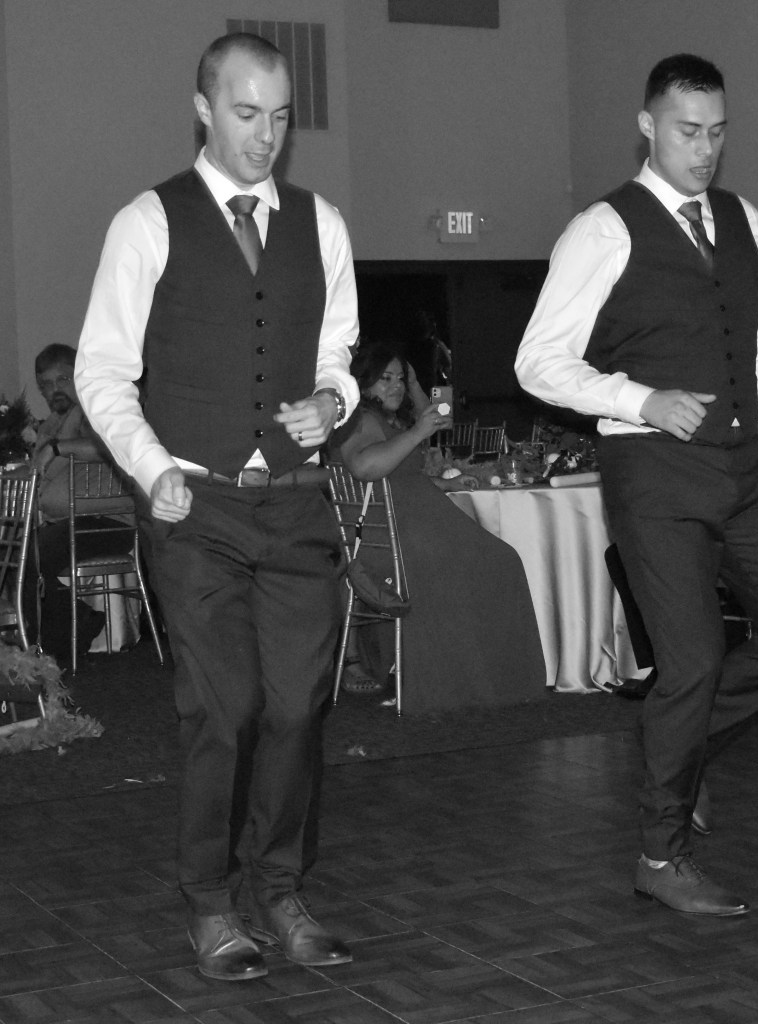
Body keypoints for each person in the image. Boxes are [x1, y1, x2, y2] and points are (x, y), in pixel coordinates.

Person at [515, 53, 758, 917]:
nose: (704, 150)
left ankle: (680, 743)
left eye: (717, 132)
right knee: (689, 662)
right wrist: (640, 399)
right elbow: (536, 361)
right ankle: (659, 856)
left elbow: (756, 357)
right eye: (688, 132)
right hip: (653, 472)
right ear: (647, 127)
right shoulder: (602, 229)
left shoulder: (742, 219)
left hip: (742, 467)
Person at [75, 32, 360, 982]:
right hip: (194, 506)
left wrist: (332, 402)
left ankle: (279, 889)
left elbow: (338, 356)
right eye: (245, 114)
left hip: (297, 506)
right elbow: (101, 371)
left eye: (280, 117)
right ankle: (208, 900)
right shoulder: (146, 222)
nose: (264, 136)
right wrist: (149, 465)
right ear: (203, 108)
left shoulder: (321, 224)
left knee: (297, 709)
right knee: (224, 708)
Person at [333, 343, 546, 712]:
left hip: (415, 528)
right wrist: (418, 432)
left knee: (500, 559)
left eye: (400, 379)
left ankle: (475, 672)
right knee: (499, 563)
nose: (396, 386)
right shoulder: (362, 419)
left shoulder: (386, 421)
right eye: (385, 379)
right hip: (395, 540)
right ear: (363, 384)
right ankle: (472, 675)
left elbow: (404, 470)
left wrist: (447, 482)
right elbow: (365, 468)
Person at [26, 344, 118, 663]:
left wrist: (56, 448)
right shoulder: (52, 422)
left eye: (62, 379)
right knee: (14, 554)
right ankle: (76, 623)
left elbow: (110, 447)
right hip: (65, 523)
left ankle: (53, 653)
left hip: (105, 521)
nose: (54, 390)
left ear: (80, 375)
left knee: (29, 556)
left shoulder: (95, 410)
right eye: (45, 384)